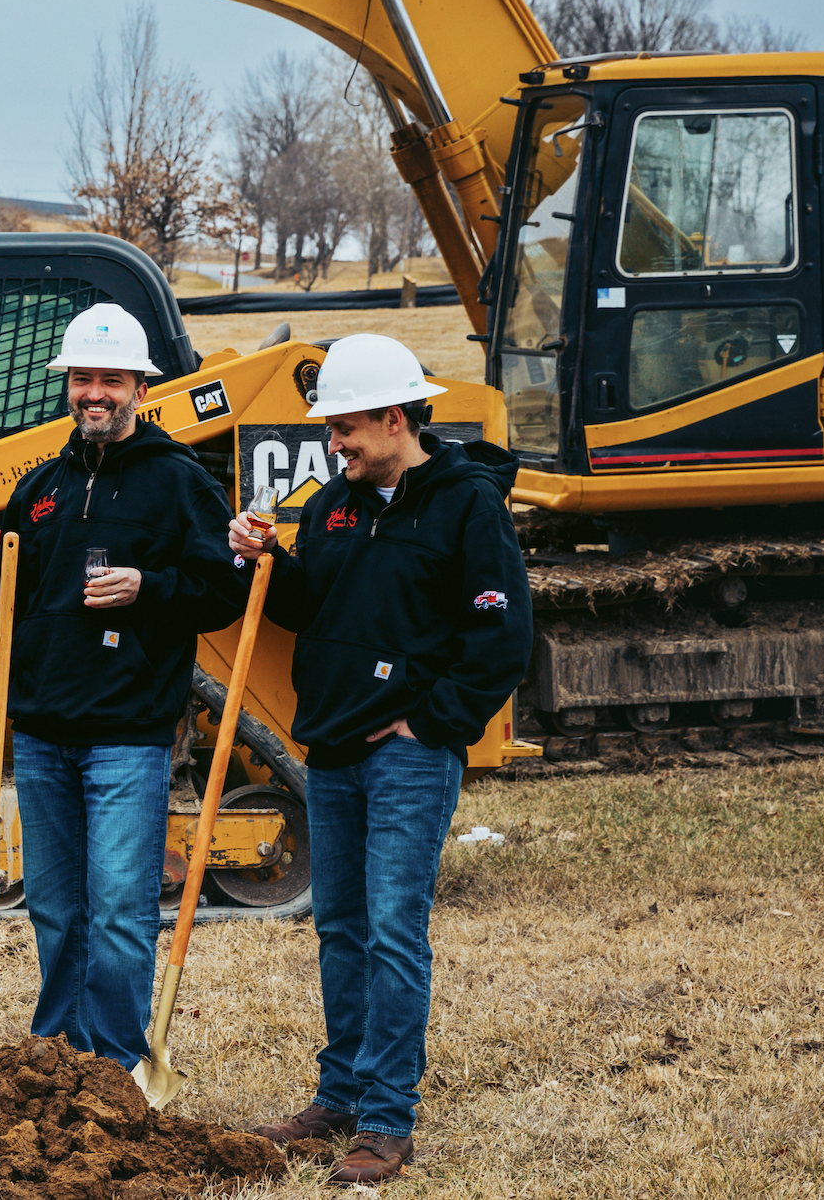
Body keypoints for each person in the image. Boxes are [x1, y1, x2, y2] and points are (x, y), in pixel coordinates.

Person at [231, 333, 531, 1186]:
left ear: (395, 419)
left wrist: (432, 723)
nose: (335, 444)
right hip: (331, 751)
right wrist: (267, 563)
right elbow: (311, 605)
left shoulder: (466, 505)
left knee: (395, 932)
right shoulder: (334, 504)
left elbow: (501, 634)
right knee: (342, 929)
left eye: (347, 429)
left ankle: (387, 1123)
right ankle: (341, 1097)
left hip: (406, 757)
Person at [0, 303, 236, 1068]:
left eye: (110, 380)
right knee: (56, 908)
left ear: (140, 388)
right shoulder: (41, 487)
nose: (94, 393)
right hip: (44, 733)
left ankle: (115, 1065)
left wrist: (149, 585)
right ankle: (59, 1055)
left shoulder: (179, 482)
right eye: (83, 378)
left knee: (117, 910)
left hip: (127, 734)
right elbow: (6, 603)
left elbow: (222, 590)